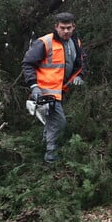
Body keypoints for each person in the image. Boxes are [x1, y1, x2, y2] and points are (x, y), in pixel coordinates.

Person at [22, 12, 86, 163]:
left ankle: (42, 150)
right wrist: (34, 86)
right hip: (44, 92)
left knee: (51, 123)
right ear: (56, 27)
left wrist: (79, 76)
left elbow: (82, 61)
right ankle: (51, 156)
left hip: (61, 91)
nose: (66, 31)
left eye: (69, 28)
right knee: (58, 123)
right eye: (62, 28)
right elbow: (27, 64)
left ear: (73, 27)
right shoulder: (45, 42)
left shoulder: (75, 42)